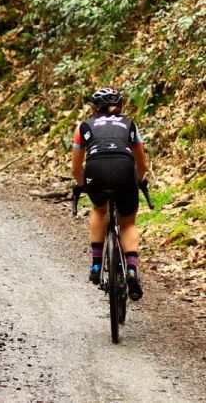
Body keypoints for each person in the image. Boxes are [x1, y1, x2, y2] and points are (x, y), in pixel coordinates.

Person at [71, 88, 148, 301]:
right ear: (120, 107)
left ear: (94, 109)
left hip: (95, 171)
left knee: (99, 208)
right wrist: (140, 180)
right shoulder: (130, 125)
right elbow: (141, 162)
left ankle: (96, 264)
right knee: (128, 222)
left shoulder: (84, 126)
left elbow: (76, 167)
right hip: (125, 170)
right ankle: (131, 269)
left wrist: (81, 185)